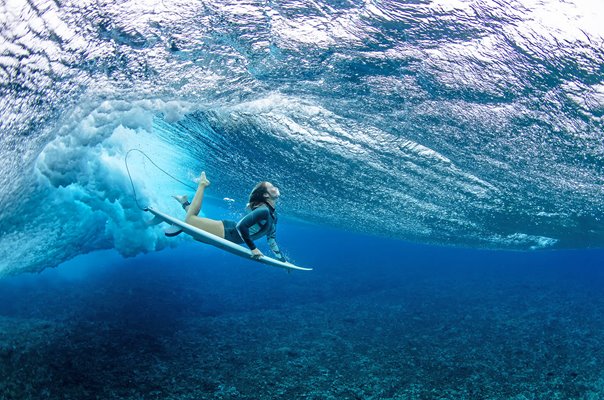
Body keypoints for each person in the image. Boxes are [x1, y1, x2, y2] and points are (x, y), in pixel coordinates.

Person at [173, 172, 287, 262]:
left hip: (229, 231)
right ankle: (202, 184)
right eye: (271, 187)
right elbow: (242, 226)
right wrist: (253, 248)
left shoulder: (274, 215)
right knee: (189, 220)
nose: (275, 187)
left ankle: (185, 202)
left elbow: (271, 239)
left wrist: (281, 259)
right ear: (266, 195)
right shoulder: (264, 211)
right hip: (228, 232)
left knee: (195, 231)